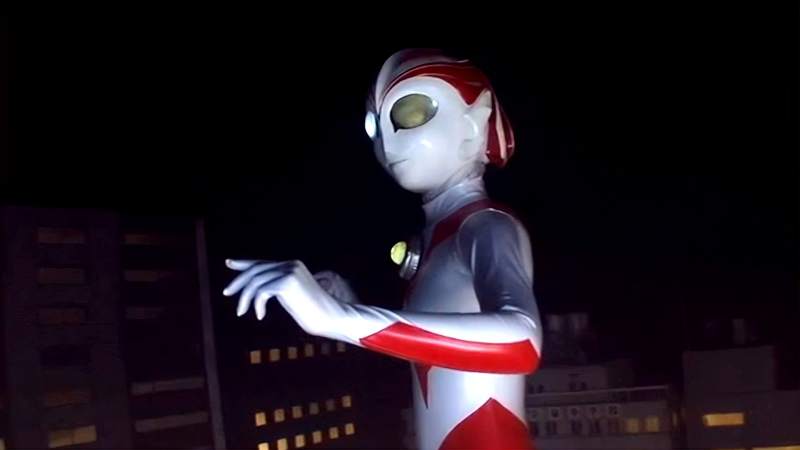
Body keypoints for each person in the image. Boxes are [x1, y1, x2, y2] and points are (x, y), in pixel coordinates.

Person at [224, 49, 542, 450]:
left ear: (473, 122)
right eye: (374, 126)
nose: (387, 141)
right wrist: (350, 306)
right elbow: (435, 360)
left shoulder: (487, 225)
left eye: (411, 113)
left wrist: (341, 318)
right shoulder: (438, 236)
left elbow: (522, 343)